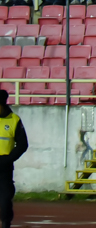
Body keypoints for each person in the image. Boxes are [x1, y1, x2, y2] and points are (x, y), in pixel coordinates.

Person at [0, 88, 28, 228]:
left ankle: (6, 222)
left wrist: (9, 159)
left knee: (5, 200)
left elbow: (23, 144)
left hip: (4, 167)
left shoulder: (14, 120)